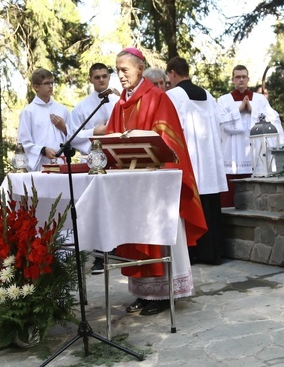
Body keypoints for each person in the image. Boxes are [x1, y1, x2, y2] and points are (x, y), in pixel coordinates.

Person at [104, 48, 207, 316]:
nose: (120, 75)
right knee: (136, 237)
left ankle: (164, 293)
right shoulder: (119, 105)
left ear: (139, 68)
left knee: (157, 237)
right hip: (130, 183)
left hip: (155, 183)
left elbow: (170, 141)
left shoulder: (157, 98)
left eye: (124, 70)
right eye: (117, 70)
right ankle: (143, 292)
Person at [165, 57, 228, 265]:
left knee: (193, 204)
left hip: (190, 158)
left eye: (168, 76)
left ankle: (194, 253)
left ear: (173, 73)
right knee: (211, 204)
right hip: (208, 159)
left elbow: (170, 129)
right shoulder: (208, 95)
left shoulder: (174, 95)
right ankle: (215, 252)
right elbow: (219, 124)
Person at [66, 63, 119, 275]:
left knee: (116, 206)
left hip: (117, 160)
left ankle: (120, 249)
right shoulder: (81, 107)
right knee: (99, 206)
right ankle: (99, 256)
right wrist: (95, 131)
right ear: (90, 79)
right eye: (97, 77)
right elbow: (73, 135)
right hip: (94, 163)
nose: (101, 80)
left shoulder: (119, 101)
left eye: (105, 76)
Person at [217, 65, 284, 207]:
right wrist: (239, 110)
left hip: (255, 156)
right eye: (237, 77)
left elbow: (274, 119)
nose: (241, 80)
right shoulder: (223, 100)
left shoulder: (259, 99)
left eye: (243, 77)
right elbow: (219, 122)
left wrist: (252, 111)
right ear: (232, 79)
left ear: (248, 79)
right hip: (231, 156)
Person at [17, 68, 69, 172]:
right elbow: (23, 142)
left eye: (51, 83)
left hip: (61, 163)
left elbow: (73, 135)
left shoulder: (62, 109)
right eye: (46, 83)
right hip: (40, 165)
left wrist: (64, 128)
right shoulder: (28, 112)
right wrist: (43, 150)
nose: (50, 86)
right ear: (36, 87)